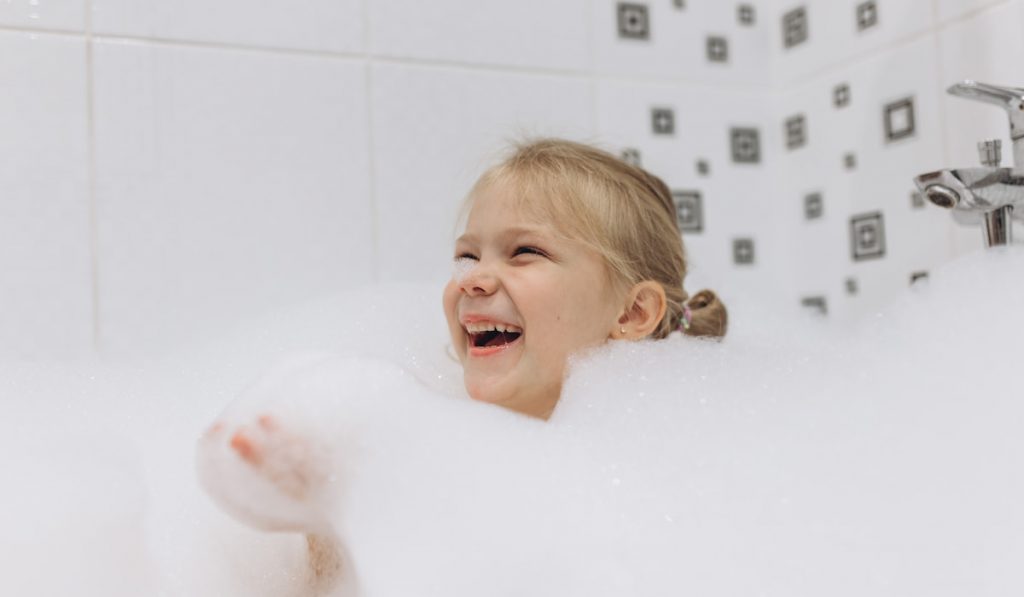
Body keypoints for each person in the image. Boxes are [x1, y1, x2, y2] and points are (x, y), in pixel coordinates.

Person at [442, 138, 727, 420]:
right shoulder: (434, 421)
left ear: (632, 313)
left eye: (524, 251)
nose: (472, 278)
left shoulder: (645, 446)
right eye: (468, 257)